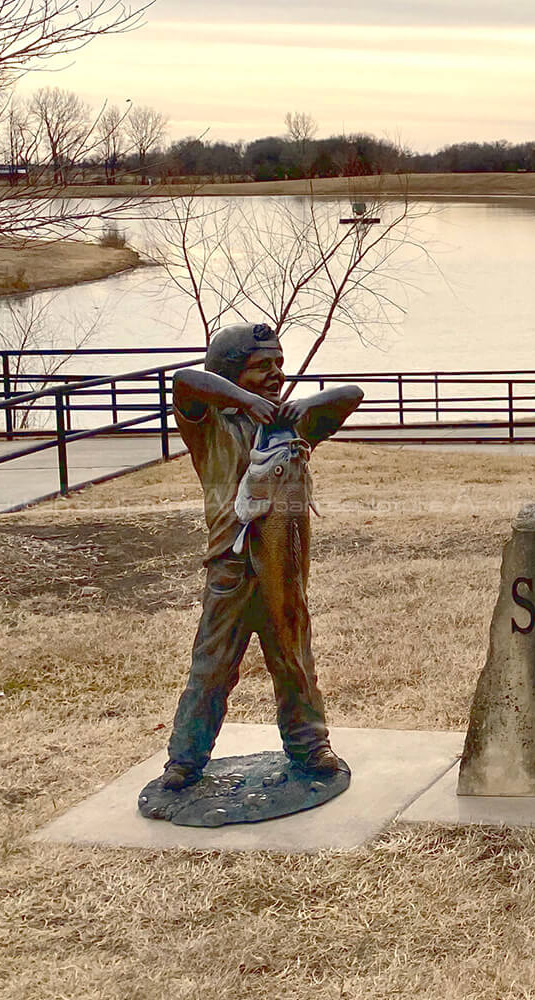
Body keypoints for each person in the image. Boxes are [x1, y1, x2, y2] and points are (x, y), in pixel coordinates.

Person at [161, 322, 363, 791]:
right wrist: (243, 401)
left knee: (293, 658)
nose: (275, 373)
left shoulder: (294, 425)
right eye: (261, 366)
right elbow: (184, 383)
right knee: (211, 668)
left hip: (285, 565)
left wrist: (304, 405)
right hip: (231, 570)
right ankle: (185, 759)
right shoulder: (208, 425)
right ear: (232, 374)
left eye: (278, 363)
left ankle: (310, 745)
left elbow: (350, 395)